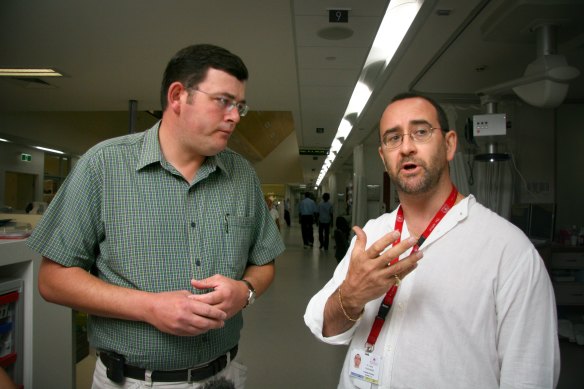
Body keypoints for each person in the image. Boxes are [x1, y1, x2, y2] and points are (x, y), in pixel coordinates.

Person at [27, 44, 285, 389]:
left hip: (223, 375)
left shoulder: (242, 175)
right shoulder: (104, 166)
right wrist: (149, 307)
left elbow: (264, 262)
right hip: (133, 381)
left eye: (240, 106)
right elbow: (53, 279)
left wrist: (245, 291)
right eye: (224, 101)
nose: (235, 116)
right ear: (178, 96)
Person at [304, 92, 559, 388]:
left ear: (450, 144)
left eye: (421, 132)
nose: (407, 147)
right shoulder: (371, 235)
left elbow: (530, 374)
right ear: (383, 157)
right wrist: (352, 295)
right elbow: (324, 326)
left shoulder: (508, 251)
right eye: (393, 138)